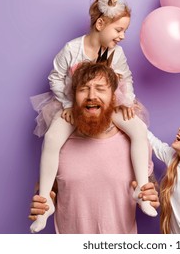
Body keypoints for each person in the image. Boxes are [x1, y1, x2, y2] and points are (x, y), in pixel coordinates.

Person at [29, 0, 155, 233]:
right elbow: (55, 78)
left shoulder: (115, 53)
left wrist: (127, 103)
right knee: (53, 138)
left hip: (109, 103)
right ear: (100, 25)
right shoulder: (71, 49)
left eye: (124, 30)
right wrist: (67, 105)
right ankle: (45, 205)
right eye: (119, 29)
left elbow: (126, 79)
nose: (122, 36)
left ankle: (142, 189)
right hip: (72, 104)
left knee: (139, 131)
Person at [30, 61, 159, 234]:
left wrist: (151, 194)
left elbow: (151, 185)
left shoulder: (133, 141)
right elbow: (51, 189)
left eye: (100, 88)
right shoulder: (60, 142)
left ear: (114, 97)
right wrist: (43, 204)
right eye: (83, 89)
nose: (91, 95)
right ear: (73, 97)